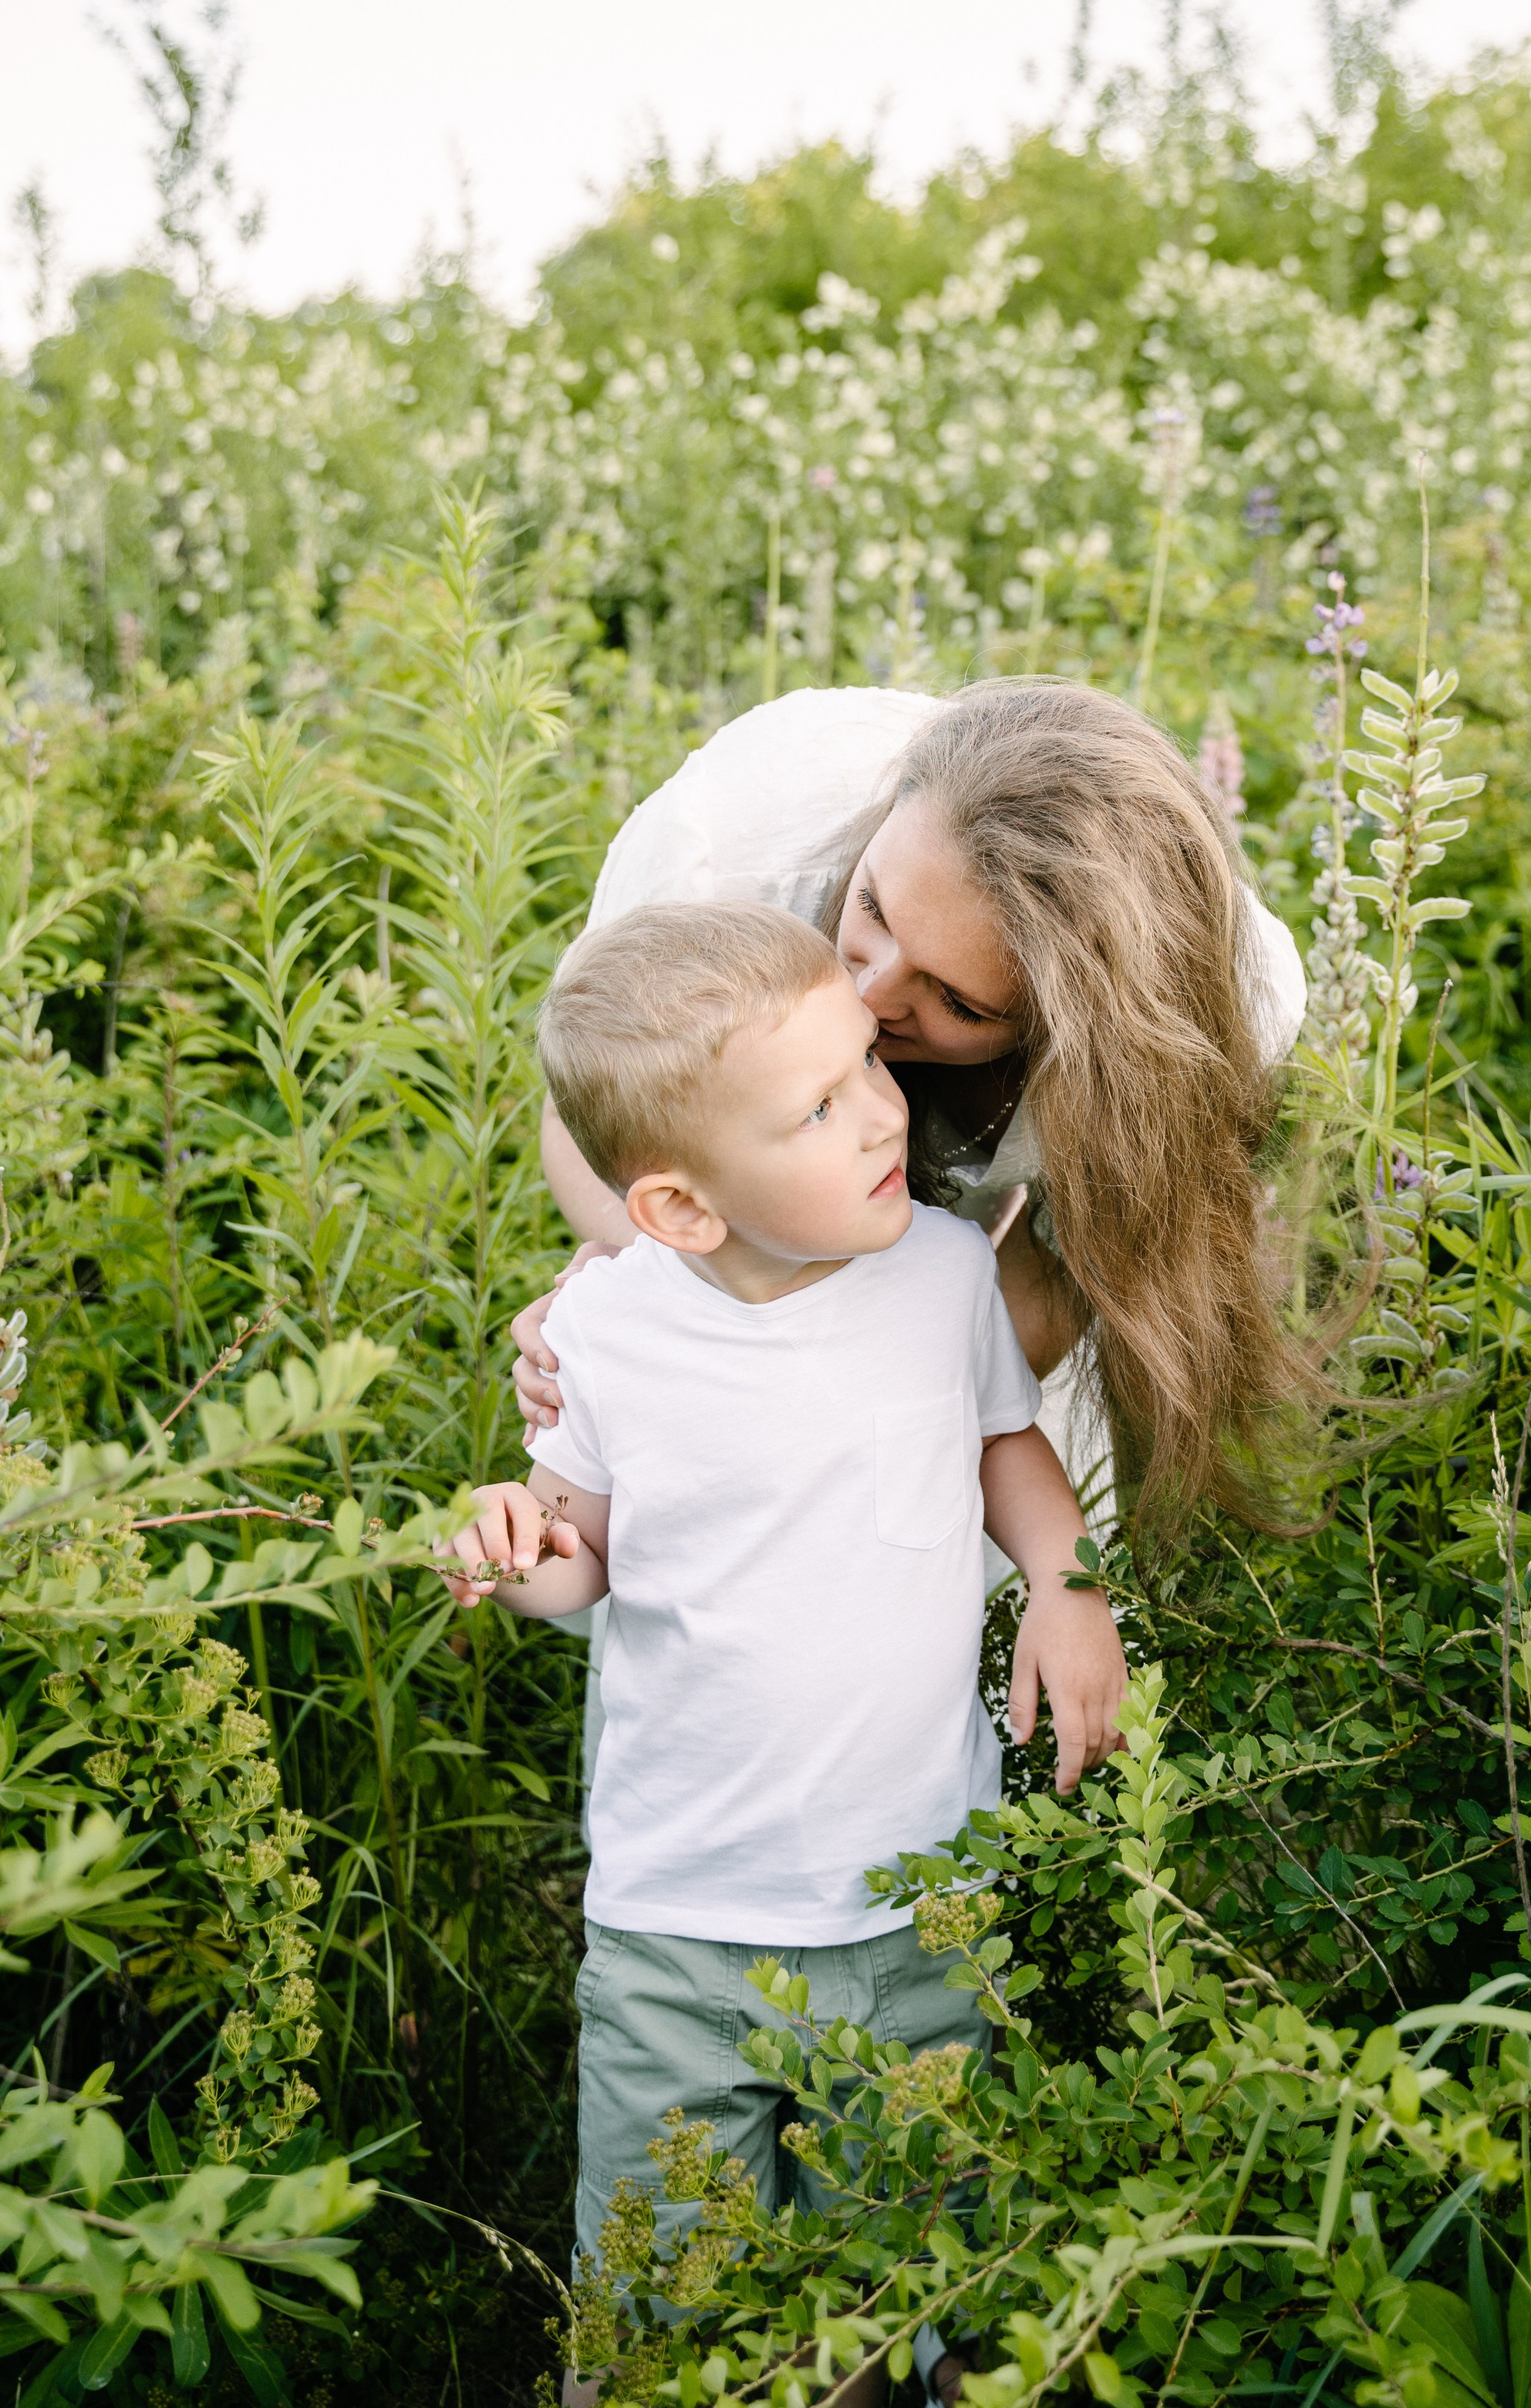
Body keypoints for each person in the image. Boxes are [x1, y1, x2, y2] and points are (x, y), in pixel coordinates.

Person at [448, 901, 1126, 2406]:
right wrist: (520, 1555)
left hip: (916, 1910)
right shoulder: (607, 1332)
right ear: (682, 1209)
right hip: (680, 1927)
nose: (885, 1111)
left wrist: (1066, 1589)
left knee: (916, 2280)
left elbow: (1003, 1447)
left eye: (865, 1069)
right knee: (657, 2313)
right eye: (818, 1109)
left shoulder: (942, 1273)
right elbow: (583, 1556)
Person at [513, 679, 1313, 1534]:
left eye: (960, 1003)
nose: (865, 992)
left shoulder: (1206, 1016)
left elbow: (1053, 1278)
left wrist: (882, 1431)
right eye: (870, 908)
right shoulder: (723, 860)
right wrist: (668, 1293)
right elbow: (583, 1116)